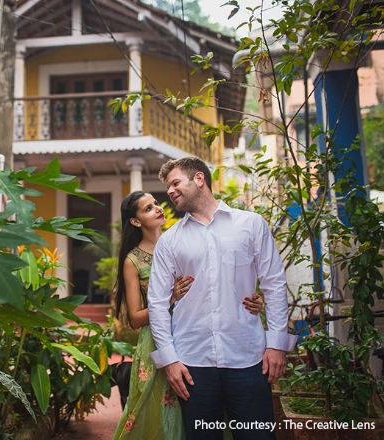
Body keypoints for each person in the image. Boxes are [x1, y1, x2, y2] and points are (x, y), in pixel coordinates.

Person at [148, 157, 297, 440]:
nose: (169, 191)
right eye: (168, 187)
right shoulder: (170, 240)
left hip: (249, 358)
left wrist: (277, 344)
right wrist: (169, 360)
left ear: (200, 179)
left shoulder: (251, 225)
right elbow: (156, 302)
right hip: (192, 364)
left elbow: (274, 284)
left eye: (175, 183)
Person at [112, 190, 265, 439]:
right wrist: (167, 301)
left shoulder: (180, 240)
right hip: (159, 343)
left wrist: (253, 301)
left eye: (156, 203)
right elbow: (135, 319)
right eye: (148, 208)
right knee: (162, 413)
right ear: (135, 221)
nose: (158, 208)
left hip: (198, 334)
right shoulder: (134, 261)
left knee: (205, 410)